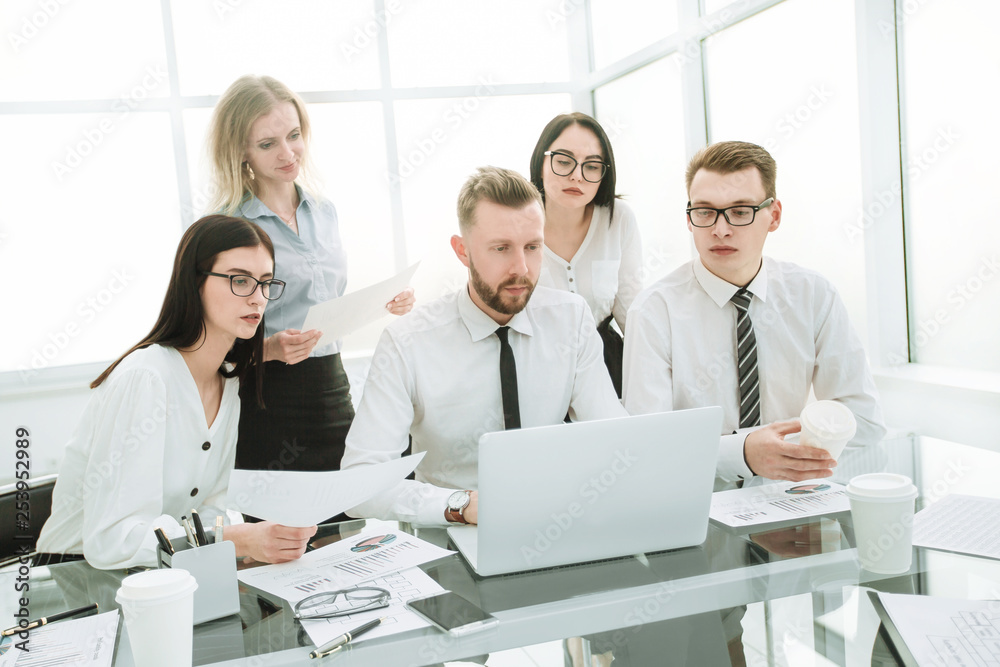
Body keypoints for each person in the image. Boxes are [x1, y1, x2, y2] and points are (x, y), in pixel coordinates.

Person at [341, 166, 627, 525]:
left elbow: (615, 435)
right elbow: (359, 483)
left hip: (556, 523)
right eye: (501, 248)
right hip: (451, 535)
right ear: (462, 251)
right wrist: (463, 506)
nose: (521, 268)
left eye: (533, 247)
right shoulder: (408, 342)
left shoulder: (571, 319)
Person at [37, 215, 317, 569]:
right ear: (195, 282)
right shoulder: (146, 378)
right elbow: (113, 538)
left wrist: (248, 541)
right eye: (240, 280)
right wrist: (236, 540)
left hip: (162, 573)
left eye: (265, 283)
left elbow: (212, 507)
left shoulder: (228, 382)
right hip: (74, 578)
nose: (257, 298)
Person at [622, 141, 886, 489]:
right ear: (689, 218)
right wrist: (741, 454)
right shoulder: (654, 310)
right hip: (697, 504)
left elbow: (864, 420)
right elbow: (646, 445)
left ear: (773, 215)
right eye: (704, 212)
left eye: (741, 211)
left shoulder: (813, 295)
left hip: (794, 500)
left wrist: (780, 454)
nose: (720, 229)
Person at [207, 75, 414, 477]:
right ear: (241, 152)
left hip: (332, 387)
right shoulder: (228, 228)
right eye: (268, 144)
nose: (288, 153)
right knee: (282, 531)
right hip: (268, 397)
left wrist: (383, 303)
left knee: (347, 519)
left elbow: (326, 302)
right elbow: (209, 341)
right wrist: (269, 349)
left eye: (294, 135)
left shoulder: (323, 210)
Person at [529, 112, 642, 396]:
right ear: (541, 162)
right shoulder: (518, 220)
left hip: (607, 365)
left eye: (591, 166)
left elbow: (633, 311)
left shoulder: (619, 218)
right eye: (564, 161)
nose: (576, 176)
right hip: (534, 365)